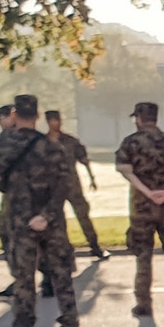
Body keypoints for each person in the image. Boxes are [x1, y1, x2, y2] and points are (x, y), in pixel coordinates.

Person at [0, 93, 81, 327]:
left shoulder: (5, 146)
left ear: (15, 115)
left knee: (24, 280)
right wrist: (47, 215)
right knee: (62, 276)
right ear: (38, 116)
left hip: (20, 221)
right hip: (52, 223)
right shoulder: (52, 146)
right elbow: (65, 184)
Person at [114, 100, 164, 317]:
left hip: (142, 206)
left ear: (138, 118)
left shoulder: (131, 143)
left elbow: (125, 170)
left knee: (143, 256)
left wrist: (147, 191)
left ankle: (143, 302)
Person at [45, 109, 108, 260]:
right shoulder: (43, 142)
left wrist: (92, 178)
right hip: (53, 187)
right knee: (56, 219)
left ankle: (94, 246)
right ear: (48, 122)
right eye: (53, 120)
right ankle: (61, 250)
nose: (56, 123)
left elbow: (84, 159)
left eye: (58, 120)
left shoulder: (70, 141)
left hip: (72, 185)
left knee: (83, 215)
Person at [0, 104, 17, 298]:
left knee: (6, 232)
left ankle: (20, 279)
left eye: (2, 117)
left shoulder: (7, 140)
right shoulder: (37, 138)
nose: (0, 122)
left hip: (13, 198)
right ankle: (48, 277)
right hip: (39, 199)